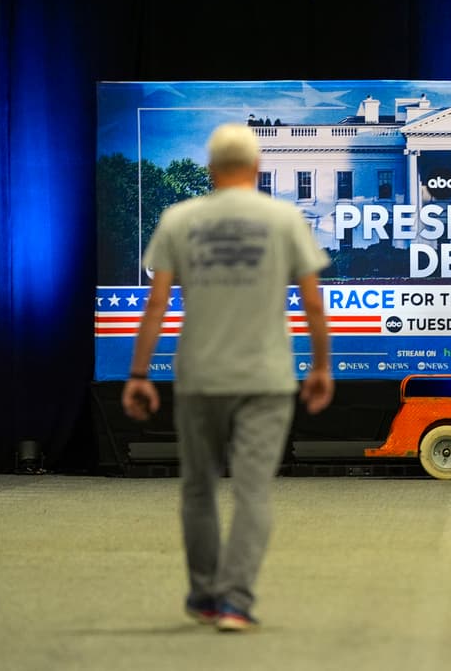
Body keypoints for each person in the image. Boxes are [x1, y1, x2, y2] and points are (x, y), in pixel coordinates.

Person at [121, 123, 334, 631]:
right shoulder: (284, 218)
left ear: (211, 171)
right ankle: (236, 603)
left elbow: (156, 304)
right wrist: (322, 366)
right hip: (266, 378)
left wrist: (137, 373)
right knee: (252, 492)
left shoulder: (179, 218)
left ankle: (204, 595)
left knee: (197, 490)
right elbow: (312, 304)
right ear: (257, 169)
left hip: (199, 377)